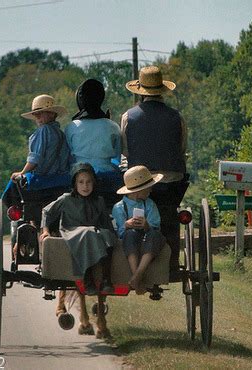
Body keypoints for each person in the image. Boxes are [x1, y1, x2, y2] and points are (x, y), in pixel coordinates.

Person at [121, 66, 188, 272]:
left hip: (139, 184)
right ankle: (172, 262)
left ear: (140, 91)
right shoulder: (177, 117)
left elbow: (125, 152)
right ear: (161, 90)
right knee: (170, 212)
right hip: (170, 184)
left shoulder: (128, 117)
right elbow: (182, 148)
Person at [40, 163, 116, 295]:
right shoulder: (66, 199)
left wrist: (112, 236)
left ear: (94, 183)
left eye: (88, 182)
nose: (85, 186)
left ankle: (106, 279)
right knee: (88, 232)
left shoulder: (99, 201)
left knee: (106, 235)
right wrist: (45, 230)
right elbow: (47, 211)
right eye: (81, 182)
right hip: (71, 230)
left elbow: (106, 223)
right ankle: (87, 280)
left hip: (93, 231)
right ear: (75, 184)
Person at [2, 94, 71, 221]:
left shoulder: (44, 130)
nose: (37, 117)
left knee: (13, 183)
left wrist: (22, 173)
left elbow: (35, 159)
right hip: (59, 180)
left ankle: (18, 213)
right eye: (35, 114)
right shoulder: (60, 134)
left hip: (42, 179)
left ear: (51, 114)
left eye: (40, 113)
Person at [65, 79, 123, 209]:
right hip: (108, 177)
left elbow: (68, 155)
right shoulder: (113, 126)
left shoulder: (71, 127)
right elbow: (117, 156)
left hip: (77, 175)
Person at [112, 165, 166, 293]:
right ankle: (136, 274)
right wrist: (126, 225)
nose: (151, 190)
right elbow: (117, 231)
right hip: (129, 239)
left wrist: (146, 225)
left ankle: (137, 275)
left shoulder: (149, 204)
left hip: (147, 239)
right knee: (129, 234)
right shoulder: (119, 207)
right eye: (148, 188)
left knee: (154, 235)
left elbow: (156, 226)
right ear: (138, 191)